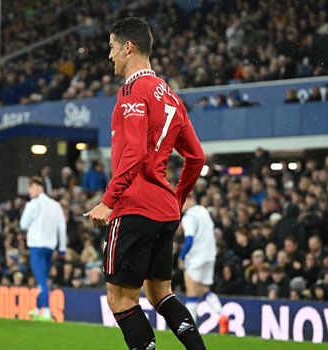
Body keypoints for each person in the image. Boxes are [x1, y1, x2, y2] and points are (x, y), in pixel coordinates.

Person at [84, 17, 206, 350]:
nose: (110, 56)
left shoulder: (133, 92)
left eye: (111, 47)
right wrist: (177, 199)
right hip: (165, 211)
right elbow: (197, 158)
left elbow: (135, 154)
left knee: (121, 300)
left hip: (135, 208)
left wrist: (109, 201)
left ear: (128, 47)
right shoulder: (172, 97)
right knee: (160, 294)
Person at [179, 193, 228, 333]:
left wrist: (181, 257)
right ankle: (221, 315)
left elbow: (189, 239)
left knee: (191, 293)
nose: (180, 205)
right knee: (204, 289)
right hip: (209, 256)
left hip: (196, 258)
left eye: (182, 200)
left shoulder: (189, 217)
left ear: (190, 199)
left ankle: (190, 328)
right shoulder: (203, 211)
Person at [20, 176, 67, 321]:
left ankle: (46, 312)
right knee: (43, 280)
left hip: (36, 247)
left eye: (30, 188)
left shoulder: (33, 204)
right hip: (50, 248)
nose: (29, 191)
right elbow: (62, 227)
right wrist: (63, 247)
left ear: (37, 187)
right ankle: (36, 309)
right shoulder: (55, 205)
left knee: (41, 281)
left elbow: (23, 224)